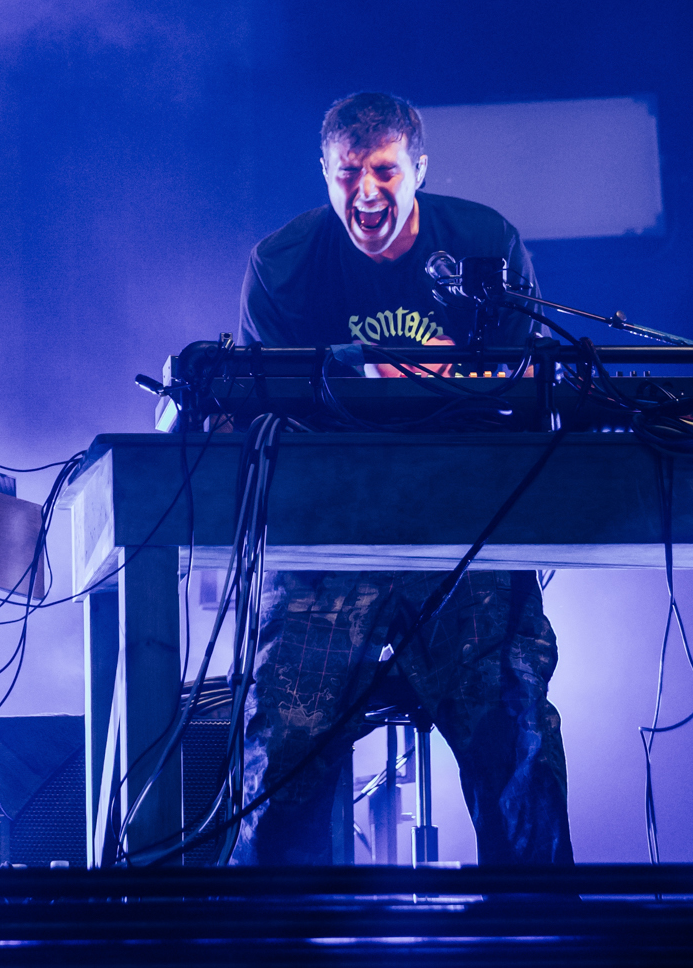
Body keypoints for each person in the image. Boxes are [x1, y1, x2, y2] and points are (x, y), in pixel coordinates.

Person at [231, 90, 573, 866]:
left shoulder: (484, 243)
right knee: (281, 753)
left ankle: (542, 925)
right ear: (324, 173)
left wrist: (423, 381)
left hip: (465, 528)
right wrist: (392, 378)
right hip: (329, 535)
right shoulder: (283, 264)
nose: (366, 192)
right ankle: (277, 929)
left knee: (515, 738)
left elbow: (523, 391)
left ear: (418, 169)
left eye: (384, 171)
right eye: (347, 173)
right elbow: (264, 409)